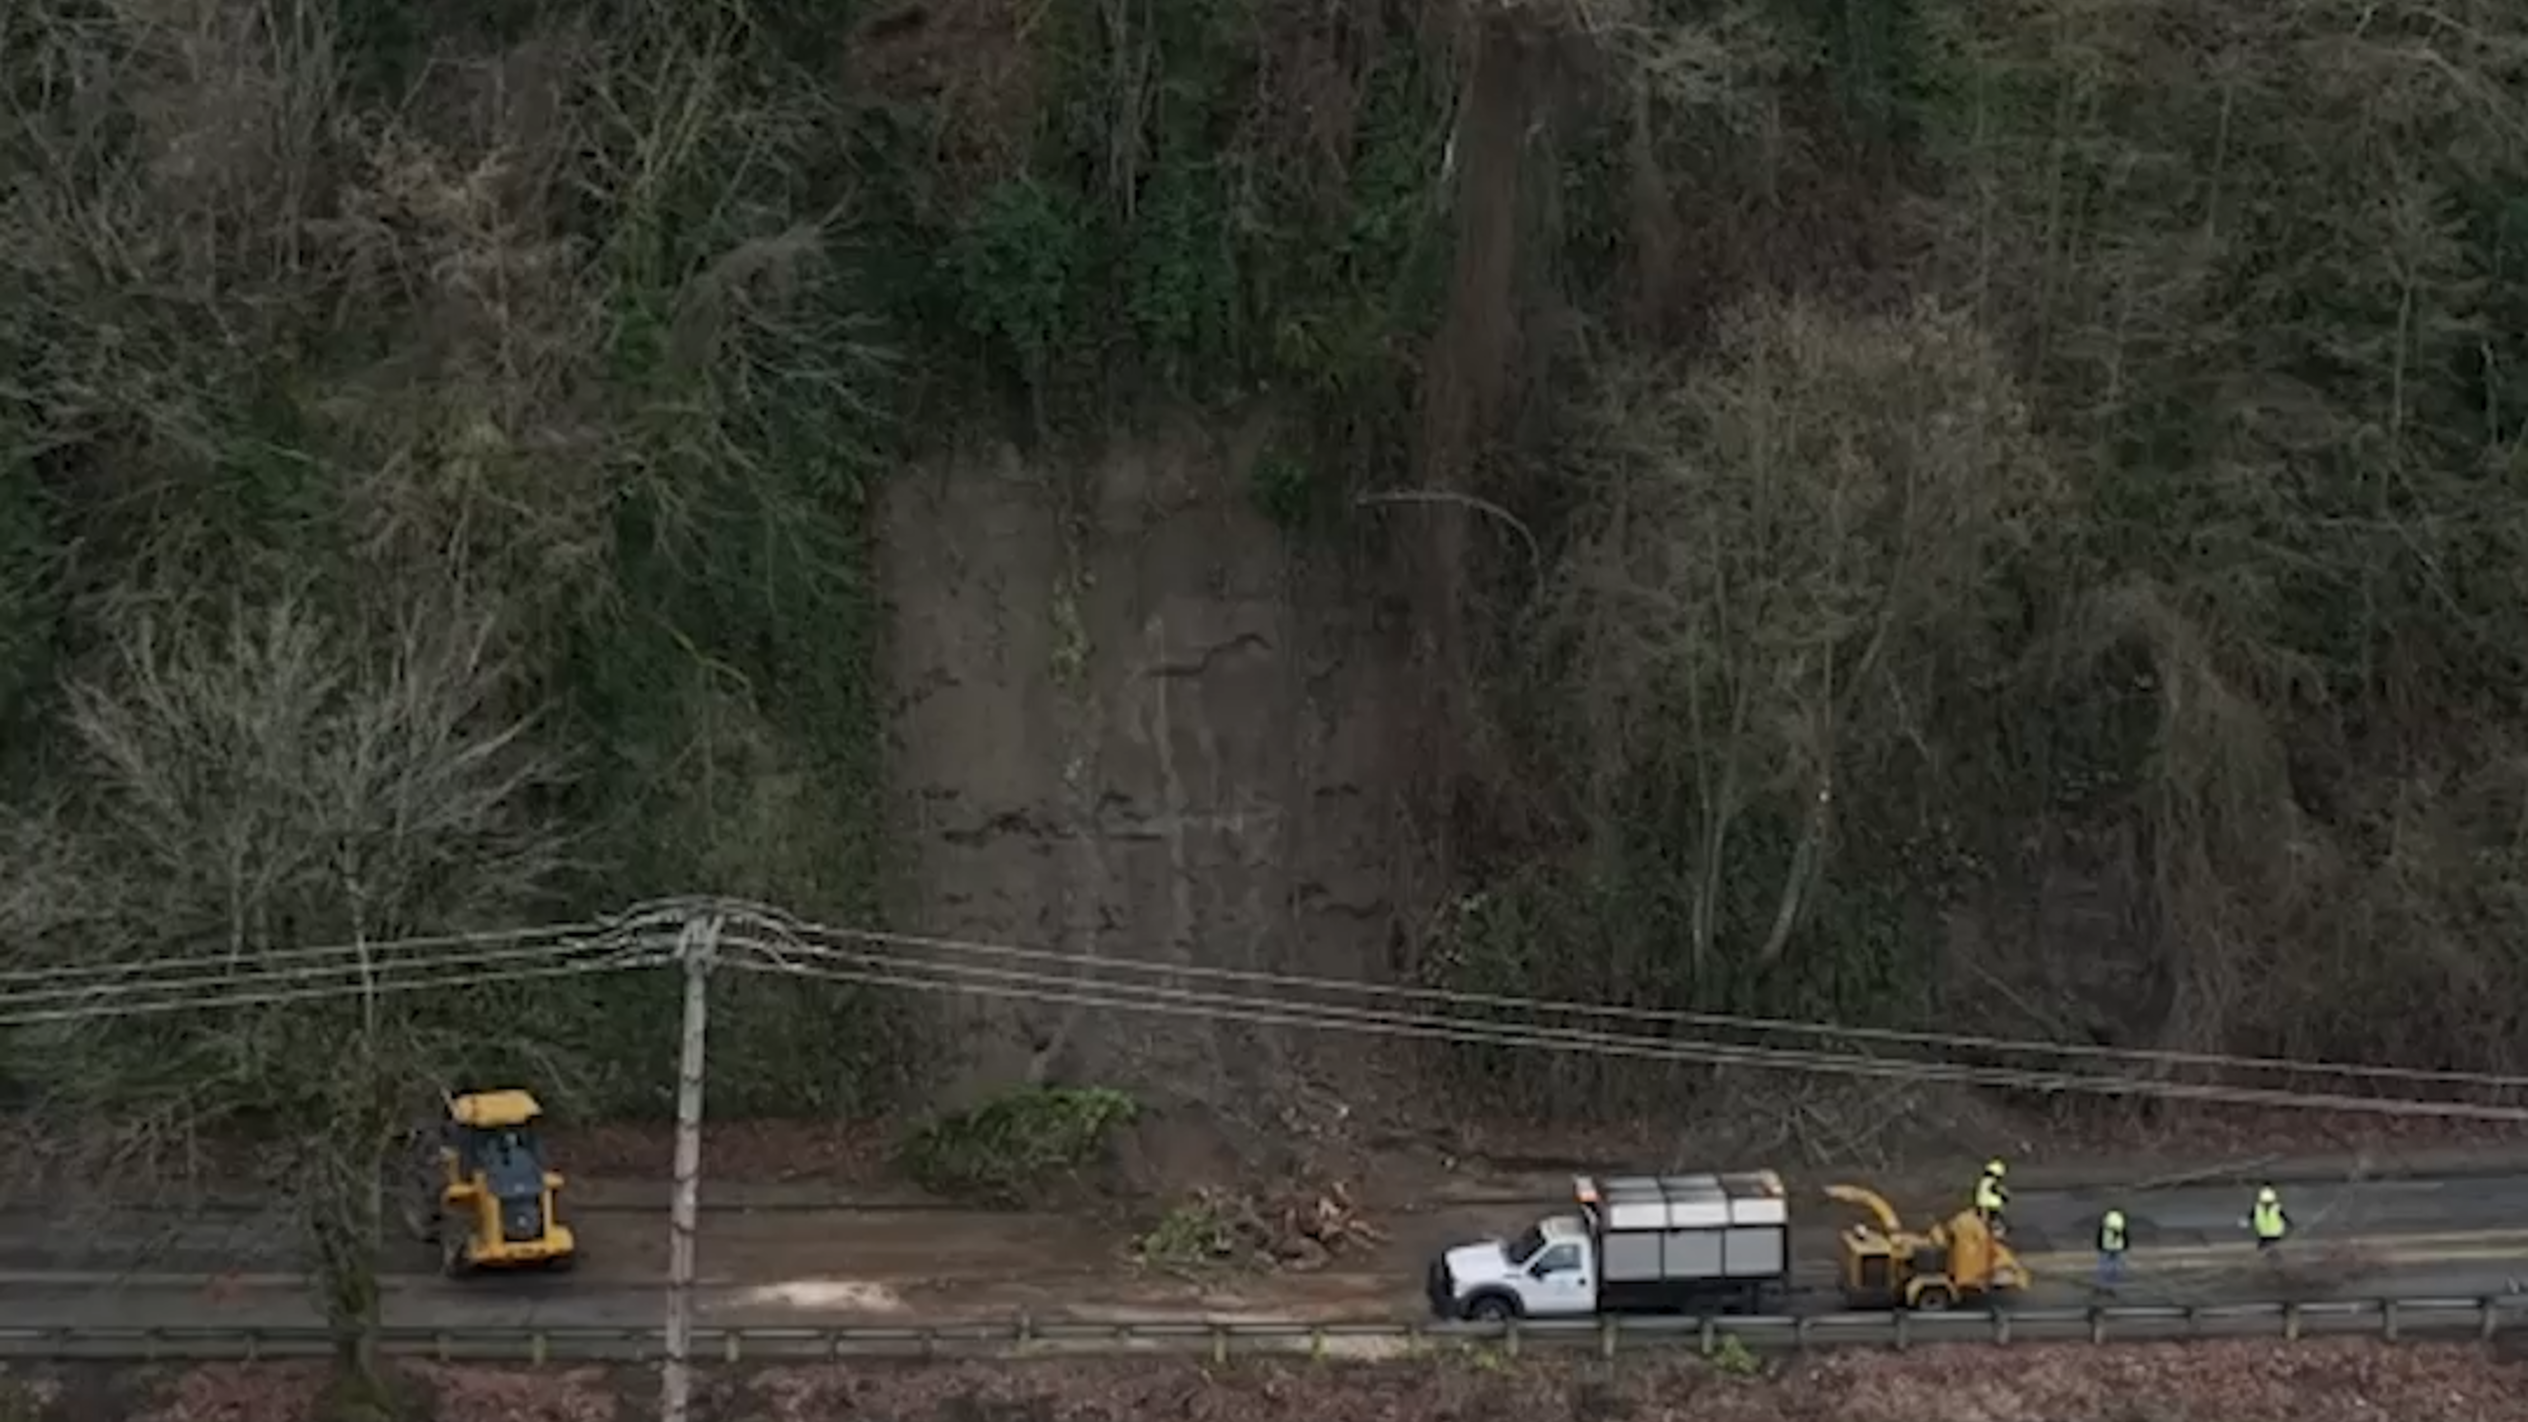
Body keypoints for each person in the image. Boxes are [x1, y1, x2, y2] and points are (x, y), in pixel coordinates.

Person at [2096, 1206, 2128, 1289]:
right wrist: (2125, 1245)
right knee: (2117, 1264)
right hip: (2118, 1246)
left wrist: (2099, 1245)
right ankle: (2115, 1282)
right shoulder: (2120, 1221)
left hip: (2106, 1246)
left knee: (2105, 1265)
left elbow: (2101, 1235)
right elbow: (2123, 1234)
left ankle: (2104, 1283)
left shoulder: (2105, 1221)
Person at [1974, 1158, 2010, 1232]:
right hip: (1990, 1204)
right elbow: (1996, 1190)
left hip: (1982, 1203)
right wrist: (2003, 1196)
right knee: (1993, 1216)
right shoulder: (1991, 1181)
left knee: (1985, 1219)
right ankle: (1996, 1228)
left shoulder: (1984, 1180)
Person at [2250, 1184, 2289, 1250]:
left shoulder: (2257, 1208)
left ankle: (2267, 1249)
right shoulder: (2276, 1207)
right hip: (2276, 1234)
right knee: (2267, 1246)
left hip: (2264, 1234)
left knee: (2262, 1246)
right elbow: (2285, 1218)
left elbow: (2250, 1217)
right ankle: (2269, 1249)